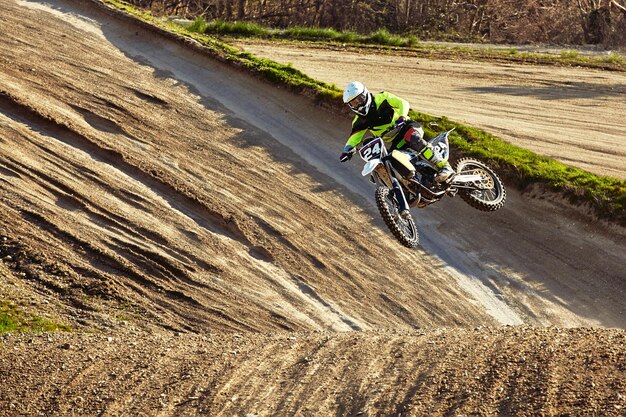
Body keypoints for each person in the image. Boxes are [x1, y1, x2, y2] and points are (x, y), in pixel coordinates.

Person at [339, 81, 455, 183]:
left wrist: (402, 117)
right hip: (396, 141)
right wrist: (346, 150)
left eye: (360, 99)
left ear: (366, 93)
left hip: (407, 127)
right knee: (392, 162)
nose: (358, 104)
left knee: (412, 138)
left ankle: (444, 166)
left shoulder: (382, 97)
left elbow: (403, 103)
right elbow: (354, 137)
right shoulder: (359, 121)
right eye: (353, 103)